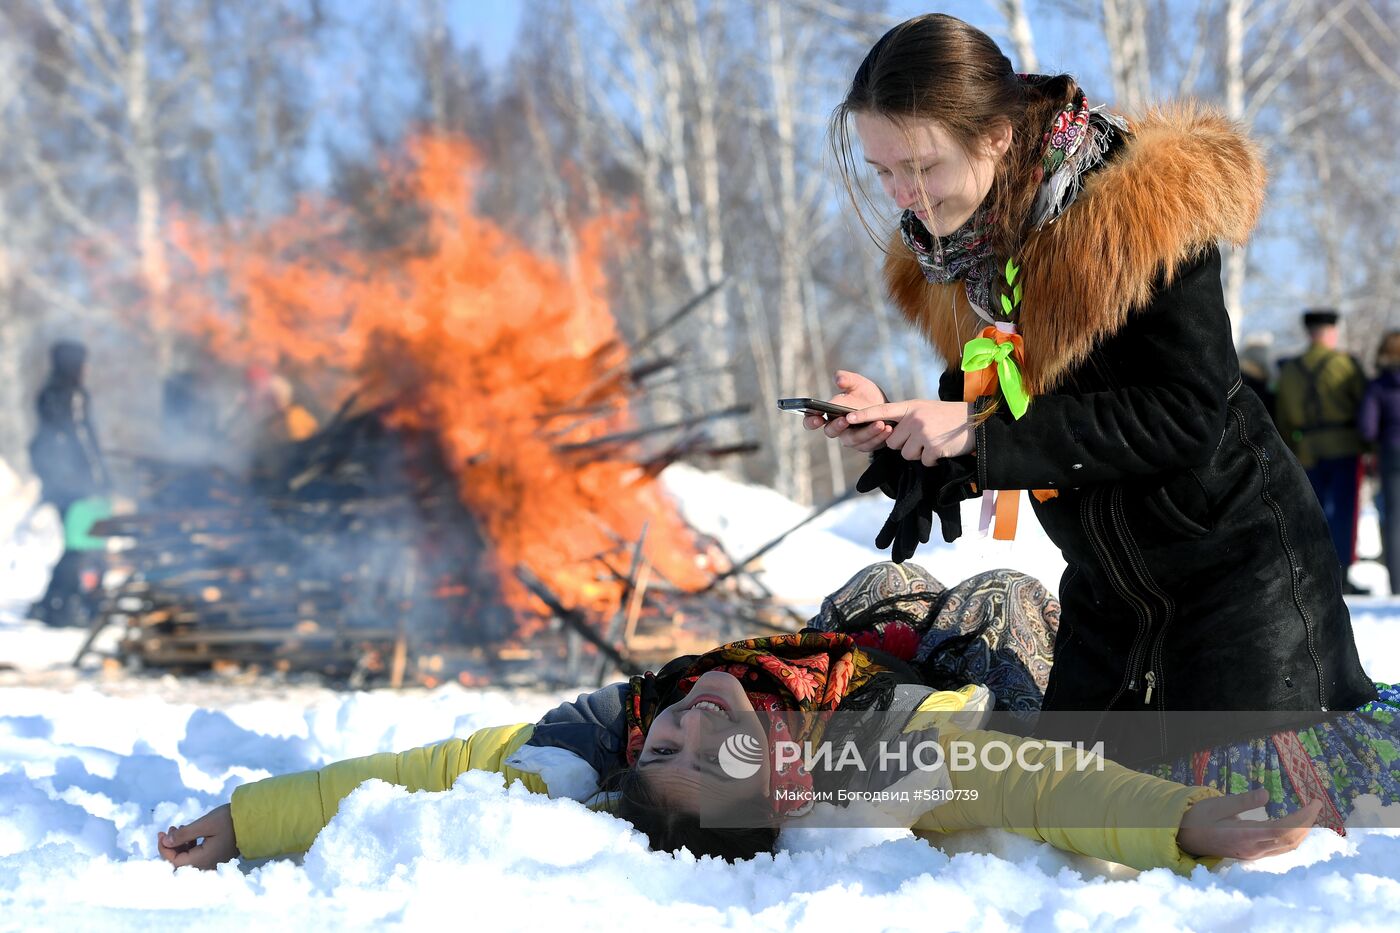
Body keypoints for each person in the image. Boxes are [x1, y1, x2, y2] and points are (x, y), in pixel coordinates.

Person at [804, 13, 1374, 764]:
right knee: (1062, 820)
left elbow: (1185, 416)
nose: (904, 194)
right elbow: (1009, 421)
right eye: (883, 172)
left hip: (1239, 586)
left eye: (921, 165)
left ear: (997, 136)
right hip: (1109, 600)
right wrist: (911, 439)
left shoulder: (1142, 217)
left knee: (1232, 825)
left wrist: (978, 434)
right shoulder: (965, 259)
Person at [157, 564, 1332, 876]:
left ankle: (898, 609)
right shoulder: (869, 766)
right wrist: (1178, 822)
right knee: (999, 600)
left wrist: (256, 816)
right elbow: (1022, 790)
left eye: (657, 743)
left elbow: (440, 765)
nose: (672, 727)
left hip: (830, 647)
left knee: (883, 585)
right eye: (691, 750)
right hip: (946, 689)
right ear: (776, 782)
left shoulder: (622, 722)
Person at [1276, 309, 1369, 592]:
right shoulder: (1344, 364)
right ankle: (1343, 574)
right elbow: (1362, 406)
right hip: (1344, 446)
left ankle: (1315, 573)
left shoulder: (1289, 369)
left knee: (1310, 513)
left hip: (1306, 450)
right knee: (1344, 513)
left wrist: (1292, 448)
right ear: (1330, 332)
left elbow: (1283, 417)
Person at [26, 340, 111, 627]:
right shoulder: (68, 395)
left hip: (64, 484)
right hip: (73, 485)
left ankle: (59, 602)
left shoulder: (50, 393)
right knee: (81, 545)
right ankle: (59, 603)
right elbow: (80, 439)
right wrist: (96, 478)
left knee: (79, 545)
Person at [1360, 331, 1400, 593]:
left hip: (1392, 453)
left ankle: (1397, 585)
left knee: (1395, 521)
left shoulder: (1378, 386)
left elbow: (1367, 428)